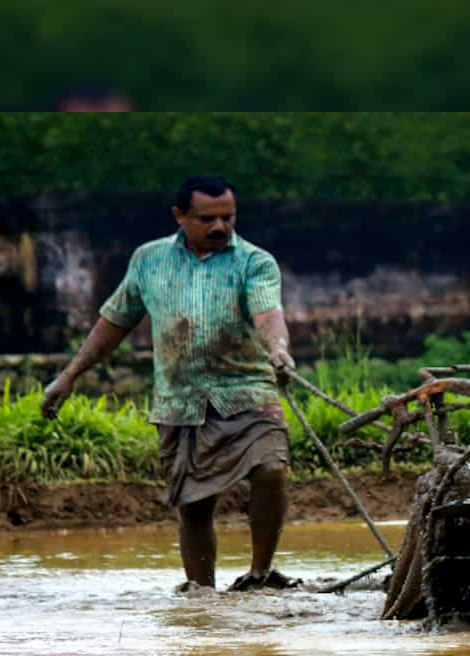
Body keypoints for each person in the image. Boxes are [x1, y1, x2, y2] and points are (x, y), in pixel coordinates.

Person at [40, 175, 297, 592]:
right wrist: (69, 377)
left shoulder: (255, 262)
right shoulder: (148, 260)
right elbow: (114, 321)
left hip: (248, 393)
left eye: (227, 217)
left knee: (271, 470)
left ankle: (260, 575)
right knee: (193, 505)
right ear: (180, 216)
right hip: (180, 402)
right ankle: (200, 594)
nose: (218, 227)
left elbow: (268, 312)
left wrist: (278, 348)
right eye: (206, 219)